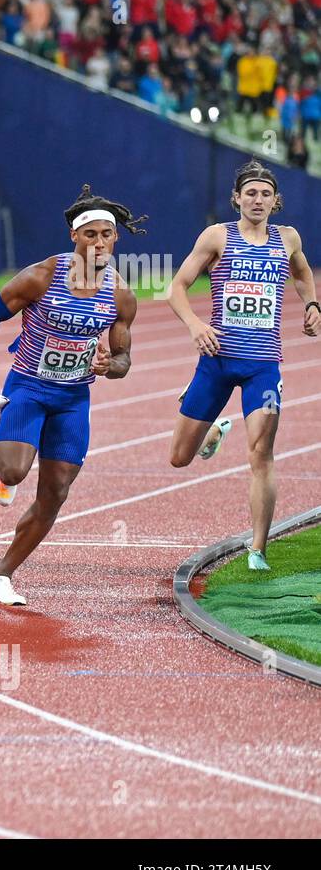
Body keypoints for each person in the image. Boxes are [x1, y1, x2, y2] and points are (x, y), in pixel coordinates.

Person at [0, 184, 141, 606]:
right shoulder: (42, 275)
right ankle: (3, 470)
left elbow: (125, 358)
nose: (97, 243)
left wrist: (109, 366)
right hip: (30, 387)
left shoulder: (120, 294)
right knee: (15, 471)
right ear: (74, 237)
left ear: (115, 240)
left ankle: (3, 574)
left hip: (74, 398)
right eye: (89, 235)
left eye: (105, 235)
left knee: (56, 491)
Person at [164, 161, 319, 570]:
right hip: (216, 361)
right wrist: (196, 324)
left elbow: (302, 272)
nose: (258, 199)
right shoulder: (217, 236)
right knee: (179, 457)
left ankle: (258, 549)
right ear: (237, 198)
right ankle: (214, 429)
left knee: (261, 453)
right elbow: (177, 287)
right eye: (250, 193)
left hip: (263, 365)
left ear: (275, 200)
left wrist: (312, 303)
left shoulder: (287, 238)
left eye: (265, 193)